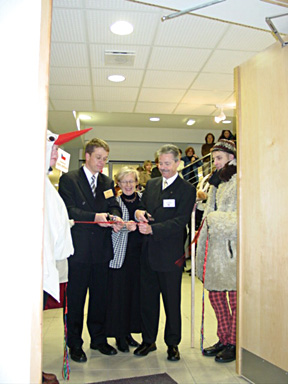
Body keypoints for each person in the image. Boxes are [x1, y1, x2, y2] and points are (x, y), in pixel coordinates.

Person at [58, 138, 123, 363]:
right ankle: (74, 343)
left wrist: (114, 217)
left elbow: (112, 204)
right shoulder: (70, 179)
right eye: (98, 158)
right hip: (79, 251)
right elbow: (68, 210)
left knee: (100, 298)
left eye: (105, 159)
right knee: (75, 300)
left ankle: (98, 338)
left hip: (102, 250)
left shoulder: (106, 182)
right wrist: (95, 217)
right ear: (87, 156)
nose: (102, 163)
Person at [133, 144, 196, 362]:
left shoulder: (187, 189)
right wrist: (139, 212)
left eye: (168, 163)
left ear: (178, 163)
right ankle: (148, 340)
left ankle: (172, 343)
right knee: (147, 300)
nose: (163, 167)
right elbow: (140, 206)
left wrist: (153, 229)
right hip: (148, 253)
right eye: (161, 163)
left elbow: (180, 222)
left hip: (170, 255)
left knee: (172, 301)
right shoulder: (151, 184)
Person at [43, 128, 91, 384]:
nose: (56, 152)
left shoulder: (43, 182)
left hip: (52, 260)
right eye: (52, 147)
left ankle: (30, 368)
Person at [196, 139, 237, 363]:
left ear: (231, 157)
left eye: (219, 158)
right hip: (214, 248)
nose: (215, 162)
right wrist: (202, 206)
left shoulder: (240, 180)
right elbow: (212, 210)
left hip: (231, 249)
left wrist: (214, 218)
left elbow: (242, 217)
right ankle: (224, 338)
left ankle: (234, 341)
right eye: (214, 159)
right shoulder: (217, 181)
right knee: (216, 295)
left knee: (234, 296)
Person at [106, 166, 143, 353]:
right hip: (120, 257)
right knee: (118, 297)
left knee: (134, 297)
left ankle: (129, 333)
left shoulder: (145, 201)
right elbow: (109, 227)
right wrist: (121, 226)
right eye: (124, 181)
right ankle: (119, 335)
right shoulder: (114, 203)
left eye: (131, 181)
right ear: (118, 184)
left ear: (137, 182)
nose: (128, 185)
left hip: (141, 258)